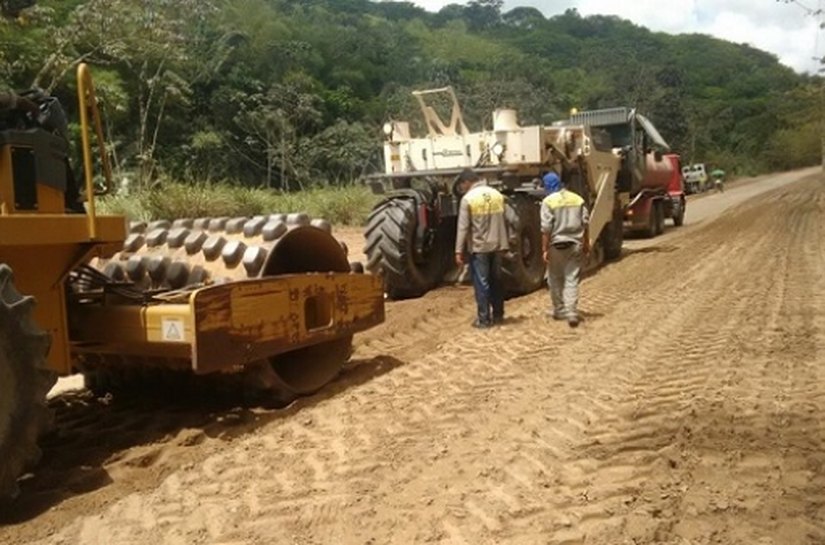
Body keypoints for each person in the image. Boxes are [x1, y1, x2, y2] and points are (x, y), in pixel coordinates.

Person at [455, 168, 509, 328]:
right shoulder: (497, 195)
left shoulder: (468, 199)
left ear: (467, 182)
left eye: (462, 185)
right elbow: (505, 221)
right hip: (498, 245)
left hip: (480, 248)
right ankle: (498, 314)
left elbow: (463, 227)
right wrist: (505, 243)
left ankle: (484, 320)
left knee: (482, 282)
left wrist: (458, 251)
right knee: (496, 280)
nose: (462, 189)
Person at [540, 172, 590, 327]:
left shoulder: (548, 201)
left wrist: (544, 249)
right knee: (571, 278)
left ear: (547, 186)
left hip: (556, 245)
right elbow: (585, 223)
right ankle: (572, 312)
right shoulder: (577, 199)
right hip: (575, 244)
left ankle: (560, 309)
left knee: (554, 278)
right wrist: (586, 242)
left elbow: (546, 228)